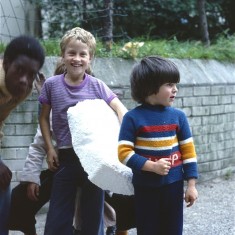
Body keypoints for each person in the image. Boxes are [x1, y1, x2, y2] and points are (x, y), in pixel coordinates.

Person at [39, 27, 127, 235]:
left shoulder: (97, 86)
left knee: (93, 213)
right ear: (63, 55)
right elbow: (43, 117)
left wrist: (123, 141)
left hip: (93, 158)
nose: (76, 59)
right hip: (65, 157)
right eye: (72, 53)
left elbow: (120, 109)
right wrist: (50, 149)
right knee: (58, 214)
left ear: (90, 58)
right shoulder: (51, 85)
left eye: (82, 54)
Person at [118, 56, 199, 235]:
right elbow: (123, 153)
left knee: (173, 229)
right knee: (148, 229)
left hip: (174, 185)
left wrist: (191, 185)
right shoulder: (132, 118)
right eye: (170, 84)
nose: (175, 89)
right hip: (145, 187)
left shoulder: (178, 117)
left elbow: (188, 152)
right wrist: (151, 166)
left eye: (175, 84)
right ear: (150, 87)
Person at [0, 35, 45, 235]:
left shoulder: (22, 89)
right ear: (6, 64)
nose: (24, 80)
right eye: (19, 70)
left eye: (31, 74)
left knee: (2, 184)